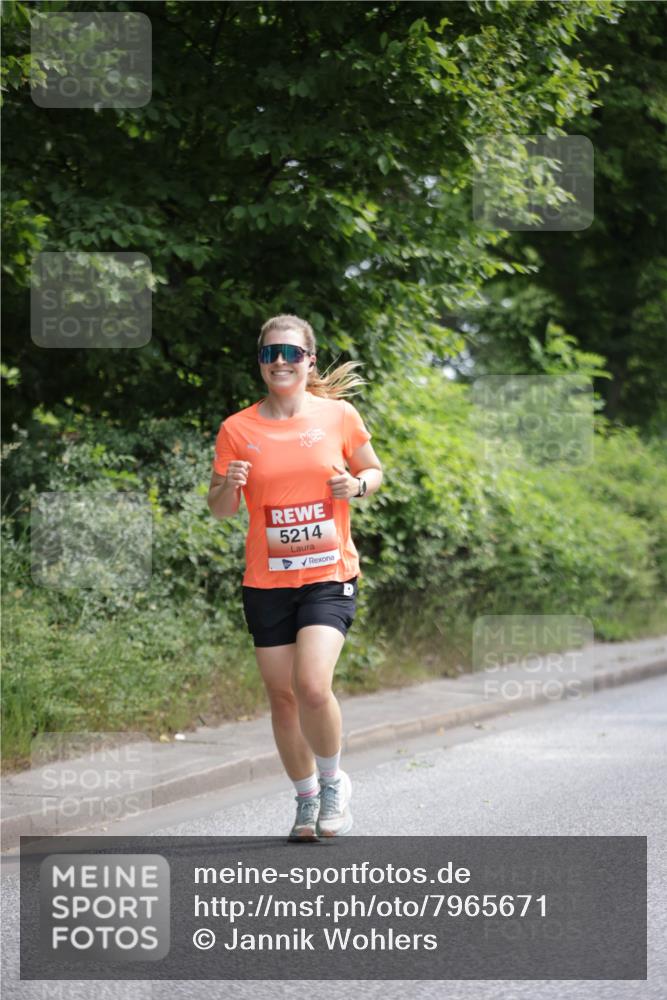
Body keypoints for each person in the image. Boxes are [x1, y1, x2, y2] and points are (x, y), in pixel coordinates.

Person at [208, 314, 383, 840]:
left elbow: (375, 471)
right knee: (281, 696)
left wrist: (356, 486)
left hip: (329, 573)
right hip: (266, 581)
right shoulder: (237, 429)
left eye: (289, 353)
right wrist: (228, 483)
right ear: (260, 363)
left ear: (308, 359)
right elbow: (220, 510)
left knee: (310, 684)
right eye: (269, 354)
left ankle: (333, 785)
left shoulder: (339, 416)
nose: (279, 362)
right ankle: (305, 800)